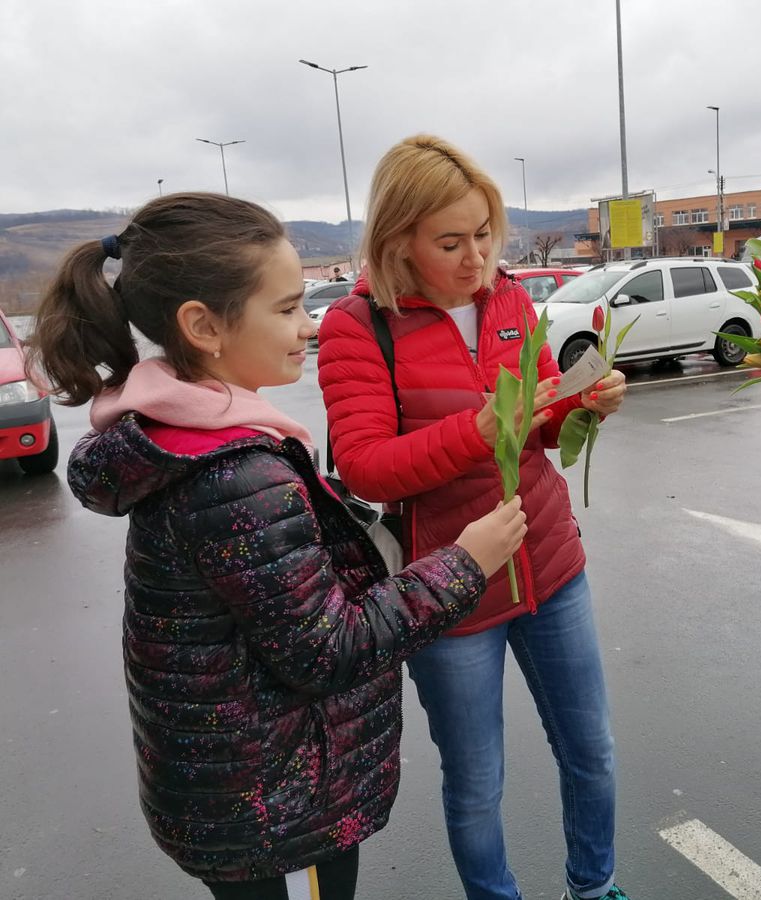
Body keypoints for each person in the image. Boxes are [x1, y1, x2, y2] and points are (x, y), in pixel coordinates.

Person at [25, 192, 529, 900]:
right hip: (276, 809)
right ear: (203, 326)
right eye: (288, 307)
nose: (310, 324)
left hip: (239, 790)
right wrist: (464, 564)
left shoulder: (185, 440)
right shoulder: (236, 476)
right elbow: (329, 649)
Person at [317, 135, 631, 900]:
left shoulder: (512, 300)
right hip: (448, 589)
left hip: (550, 563)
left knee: (591, 752)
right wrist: (478, 432)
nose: (475, 257)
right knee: (476, 782)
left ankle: (593, 889)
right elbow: (365, 463)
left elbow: (539, 419)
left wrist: (579, 408)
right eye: (450, 242)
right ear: (399, 241)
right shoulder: (358, 327)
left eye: (484, 233)